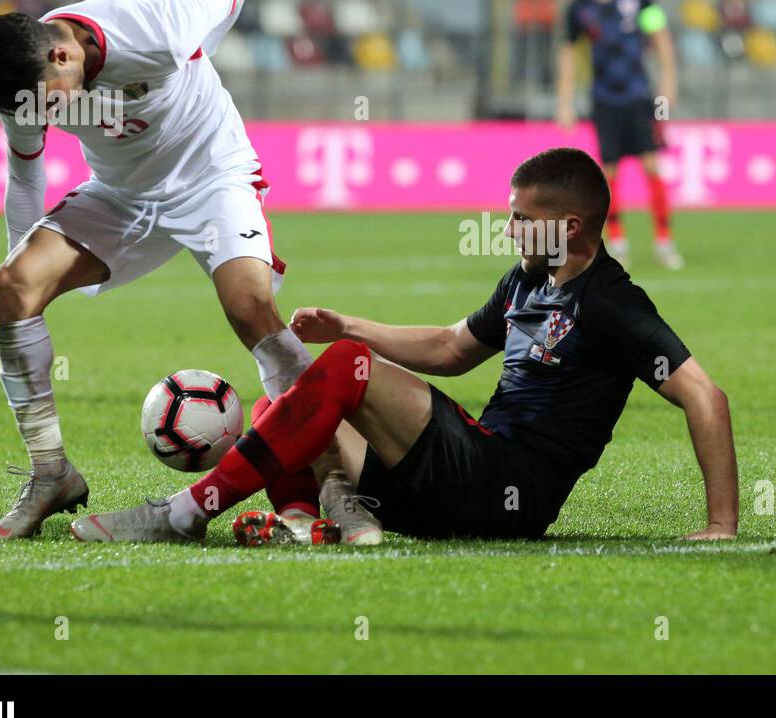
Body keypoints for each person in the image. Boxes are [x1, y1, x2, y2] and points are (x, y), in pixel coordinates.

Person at [71, 148, 738, 544]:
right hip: (462, 478)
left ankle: (186, 513)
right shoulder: (529, 280)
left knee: (344, 374)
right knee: (303, 390)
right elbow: (451, 348)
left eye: (520, 219)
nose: (506, 229)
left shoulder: (610, 301)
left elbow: (706, 396)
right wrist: (348, 323)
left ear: (567, 225)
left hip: (509, 488)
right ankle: (311, 519)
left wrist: (721, 525)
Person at [0, 0, 377, 542]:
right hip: (120, 196)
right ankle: (50, 472)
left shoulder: (154, 30)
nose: (49, 116)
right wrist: (28, 271)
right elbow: (25, 179)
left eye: (51, 104)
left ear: (61, 57)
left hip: (212, 177)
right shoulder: (24, 88)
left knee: (250, 309)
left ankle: (336, 481)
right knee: (9, 286)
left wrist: (199, 45)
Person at [556, 0, 682, 270]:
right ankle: (618, 240)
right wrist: (565, 102)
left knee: (651, 164)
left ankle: (664, 240)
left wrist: (668, 84)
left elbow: (661, 40)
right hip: (604, 100)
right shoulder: (579, 9)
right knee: (607, 172)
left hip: (638, 97)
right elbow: (568, 55)